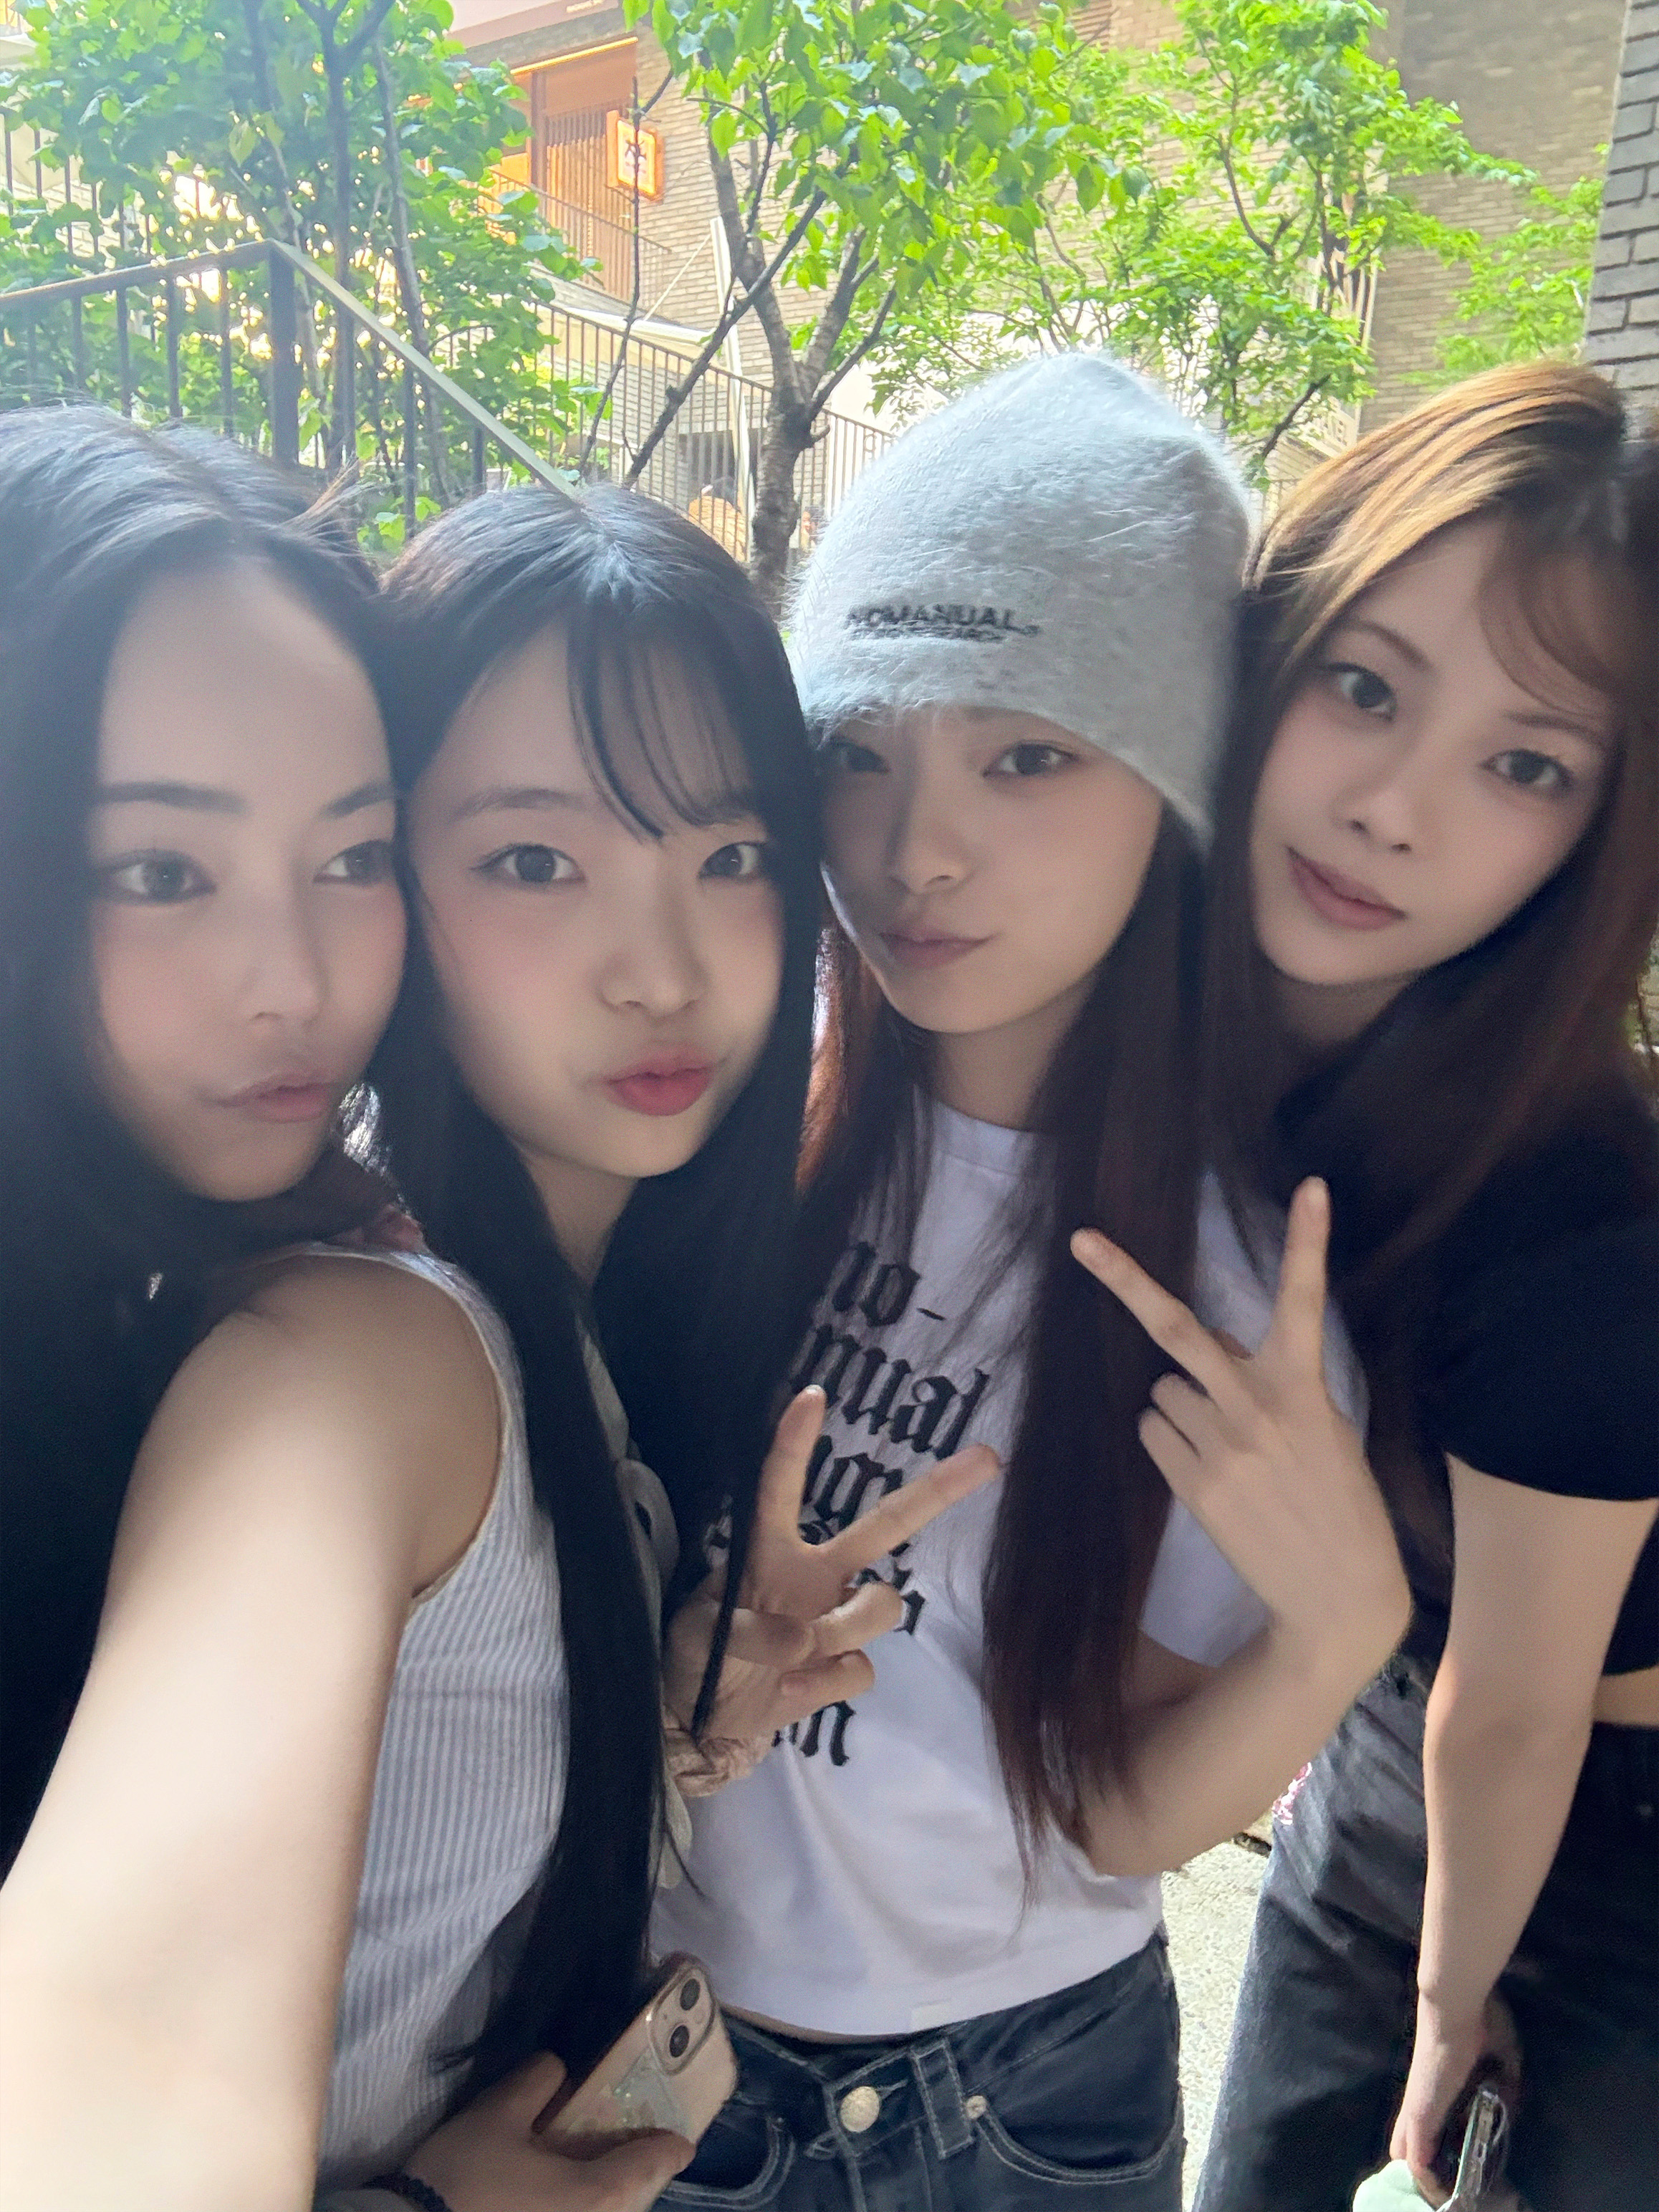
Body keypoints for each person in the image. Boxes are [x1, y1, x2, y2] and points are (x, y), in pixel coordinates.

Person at [0, 426, 973, 2212]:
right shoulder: (359, 1360)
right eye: (533, 861)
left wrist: (650, 1712)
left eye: (734, 855)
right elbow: (111, 2101)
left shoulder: (569, 1322)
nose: (662, 967)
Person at [653, 353, 1410, 2212]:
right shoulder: (726, 1111)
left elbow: (1114, 1815)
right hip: (664, 2066)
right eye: (860, 750)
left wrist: (1337, 1631)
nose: (915, 849)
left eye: (1028, 754)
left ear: (1174, 787)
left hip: (1009, 2108)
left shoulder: (1231, 1281)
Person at [1191, 363, 1659, 2212]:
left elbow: (1521, 1707)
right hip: (1406, 1729)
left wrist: (1451, 2005)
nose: (1392, 809)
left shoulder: (1578, 1210)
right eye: (1364, 686)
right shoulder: (1193, 1029)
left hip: (1607, 1827)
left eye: (1524, 764)